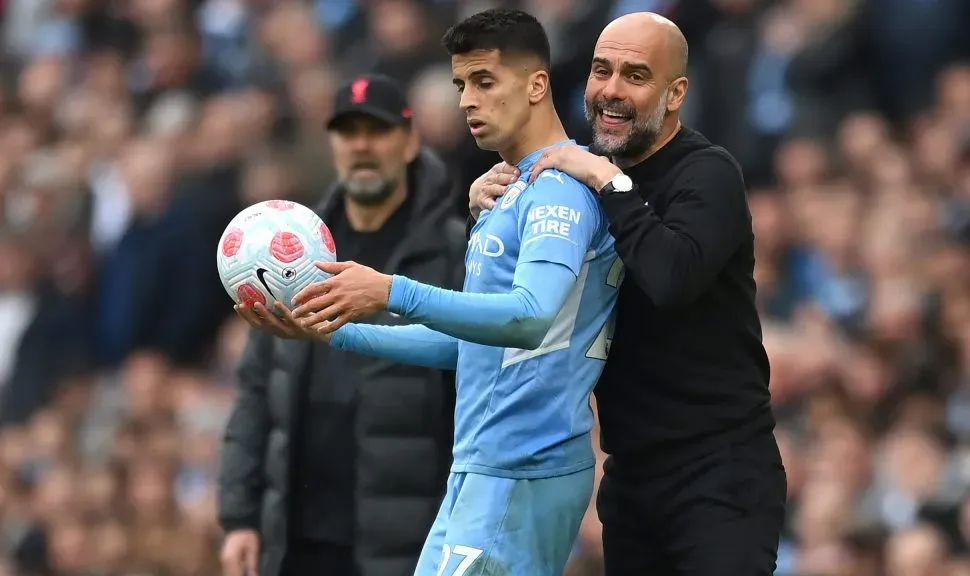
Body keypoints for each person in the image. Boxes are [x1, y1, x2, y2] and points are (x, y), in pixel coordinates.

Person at [235, 9, 621, 576]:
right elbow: (470, 348)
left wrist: (391, 289)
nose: (467, 100)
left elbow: (530, 317)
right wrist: (335, 331)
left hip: (523, 468)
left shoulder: (560, 191)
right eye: (461, 85)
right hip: (483, 469)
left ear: (538, 84)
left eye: (485, 82)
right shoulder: (507, 193)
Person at [469, 11, 787, 576]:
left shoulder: (708, 173)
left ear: (675, 94)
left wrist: (608, 181)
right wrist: (491, 215)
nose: (611, 91)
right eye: (601, 71)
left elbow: (670, 279)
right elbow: (533, 304)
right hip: (631, 479)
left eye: (635, 76)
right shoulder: (583, 183)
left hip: (720, 474)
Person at [217, 74, 466, 576]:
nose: (361, 146)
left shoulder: (455, 252)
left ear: (410, 140)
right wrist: (240, 517)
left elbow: (475, 385)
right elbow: (256, 391)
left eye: (377, 130)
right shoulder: (284, 251)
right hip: (297, 535)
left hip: (408, 537)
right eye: (347, 132)